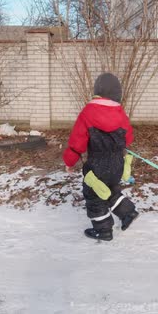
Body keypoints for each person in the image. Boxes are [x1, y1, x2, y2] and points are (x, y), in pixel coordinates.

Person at [63, 73, 139, 241]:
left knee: (94, 196)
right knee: (110, 189)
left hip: (97, 165)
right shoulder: (120, 113)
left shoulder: (88, 113)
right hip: (117, 163)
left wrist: (70, 162)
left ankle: (103, 230)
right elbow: (128, 138)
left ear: (97, 91)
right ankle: (128, 212)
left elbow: (77, 142)